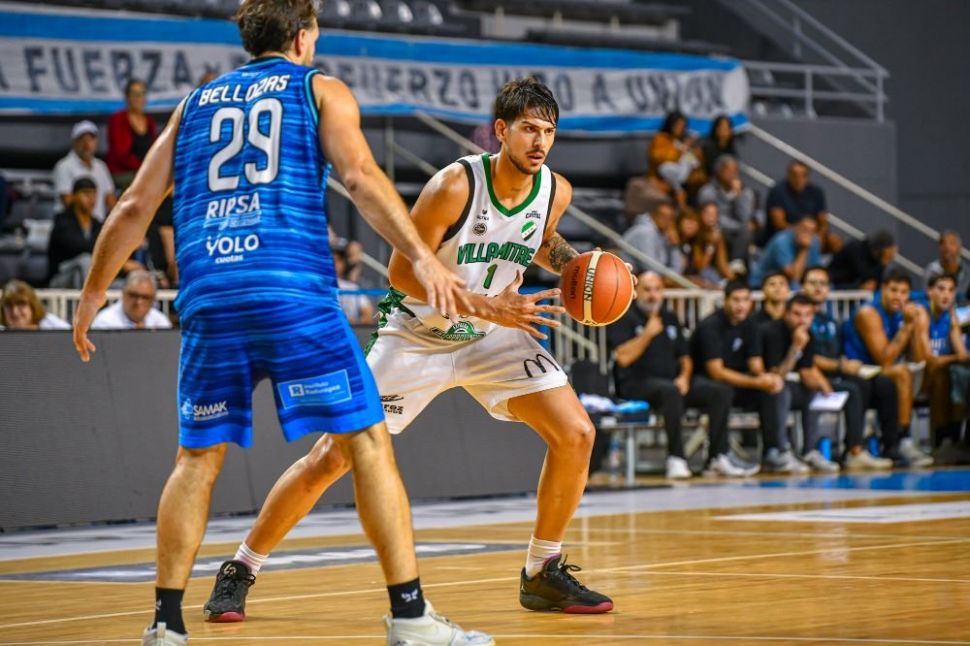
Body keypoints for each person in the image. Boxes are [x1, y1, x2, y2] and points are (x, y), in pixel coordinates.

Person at [72, 2, 490, 644]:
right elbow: (360, 177)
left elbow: (133, 205)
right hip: (292, 290)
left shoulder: (193, 104)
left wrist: (93, 291)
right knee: (367, 442)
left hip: (211, 295)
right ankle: (410, 617)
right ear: (301, 36)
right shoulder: (319, 89)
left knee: (195, 459)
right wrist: (423, 256)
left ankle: (165, 625)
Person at [199, 77, 615, 627]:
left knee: (577, 433)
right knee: (333, 457)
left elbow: (539, 237)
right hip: (417, 334)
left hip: (491, 334)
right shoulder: (455, 186)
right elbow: (401, 272)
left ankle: (542, 571)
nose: (540, 142)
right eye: (528, 130)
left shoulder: (555, 190)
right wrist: (486, 306)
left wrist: (588, 271)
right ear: (501, 131)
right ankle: (241, 568)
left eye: (549, 132)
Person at [608, 271, 737, 478]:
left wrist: (684, 377)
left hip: (672, 382)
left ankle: (717, 457)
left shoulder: (669, 317)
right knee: (670, 391)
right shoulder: (624, 316)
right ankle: (676, 458)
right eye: (647, 290)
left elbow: (685, 357)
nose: (653, 295)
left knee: (720, 392)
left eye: (657, 290)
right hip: (636, 384)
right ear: (636, 291)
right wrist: (648, 333)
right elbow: (623, 358)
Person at [690, 279, 805, 473]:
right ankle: (718, 456)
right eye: (736, 300)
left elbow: (755, 364)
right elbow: (716, 372)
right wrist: (756, 382)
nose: (741, 305)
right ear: (725, 300)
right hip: (703, 381)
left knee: (774, 390)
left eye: (745, 300)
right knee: (722, 391)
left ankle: (774, 451)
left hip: (737, 382)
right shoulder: (711, 326)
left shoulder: (750, 324)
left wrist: (766, 379)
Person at [801, 265, 896, 469]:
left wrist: (850, 365)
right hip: (811, 375)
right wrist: (841, 365)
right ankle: (855, 450)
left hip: (836, 372)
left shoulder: (831, 321)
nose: (818, 288)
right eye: (812, 283)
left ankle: (892, 445)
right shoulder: (799, 318)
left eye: (823, 284)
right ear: (802, 287)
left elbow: (839, 353)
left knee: (882, 383)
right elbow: (807, 358)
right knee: (854, 388)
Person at [842, 269, 934, 466]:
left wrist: (918, 326)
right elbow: (884, 359)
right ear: (882, 289)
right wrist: (907, 327)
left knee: (918, 371)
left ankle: (936, 439)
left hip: (879, 373)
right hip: (859, 370)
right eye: (893, 290)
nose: (898, 297)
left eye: (904, 292)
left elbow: (918, 359)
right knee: (901, 373)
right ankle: (902, 440)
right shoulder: (868, 313)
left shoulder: (902, 313)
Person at [760, 293, 840, 472]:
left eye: (807, 315)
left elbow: (806, 370)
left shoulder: (807, 334)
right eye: (797, 314)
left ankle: (810, 450)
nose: (802, 320)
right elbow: (777, 375)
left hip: (783, 384)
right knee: (781, 390)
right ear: (786, 313)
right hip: (759, 387)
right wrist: (796, 348)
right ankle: (779, 451)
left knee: (813, 392)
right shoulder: (772, 332)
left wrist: (823, 386)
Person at [914, 274, 970, 461]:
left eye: (951, 290)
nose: (946, 295)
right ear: (930, 292)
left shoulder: (951, 316)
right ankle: (942, 440)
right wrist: (956, 358)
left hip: (942, 370)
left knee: (961, 375)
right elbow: (927, 360)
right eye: (941, 289)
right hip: (917, 374)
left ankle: (957, 440)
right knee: (943, 374)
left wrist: (960, 357)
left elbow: (962, 354)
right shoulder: (921, 314)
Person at [765, 160, 841, 252]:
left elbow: (823, 221)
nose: (798, 179)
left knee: (835, 240)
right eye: (794, 175)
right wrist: (802, 231)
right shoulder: (777, 191)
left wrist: (820, 235)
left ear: (808, 177)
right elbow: (779, 224)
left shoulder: (817, 192)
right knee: (803, 241)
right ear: (788, 175)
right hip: (788, 234)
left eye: (803, 175)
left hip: (812, 234)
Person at [696, 155, 756, 263]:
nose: (732, 174)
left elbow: (745, 217)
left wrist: (738, 196)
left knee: (747, 232)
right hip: (716, 228)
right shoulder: (708, 191)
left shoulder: (745, 192)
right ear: (719, 171)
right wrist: (738, 227)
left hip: (737, 232)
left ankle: (736, 264)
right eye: (728, 170)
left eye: (735, 171)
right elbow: (712, 218)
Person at [52, 120, 116, 222]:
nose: (87, 144)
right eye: (82, 139)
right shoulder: (64, 166)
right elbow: (67, 201)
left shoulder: (101, 166)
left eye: (91, 139)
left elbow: (110, 199)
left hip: (97, 226)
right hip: (71, 225)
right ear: (74, 142)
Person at [107, 78, 158, 188]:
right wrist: (144, 169)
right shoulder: (117, 119)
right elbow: (120, 155)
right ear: (127, 97)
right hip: (123, 172)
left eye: (141, 94)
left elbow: (155, 150)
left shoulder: (150, 121)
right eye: (134, 94)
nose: (138, 98)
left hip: (145, 171)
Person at [646, 110, 705, 205]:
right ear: (670, 124)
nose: (680, 128)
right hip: (662, 181)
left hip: (685, 182)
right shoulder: (660, 139)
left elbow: (694, 164)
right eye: (678, 124)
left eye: (683, 125)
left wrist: (695, 154)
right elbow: (660, 159)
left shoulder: (683, 141)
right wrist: (681, 150)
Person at [749, 216, 820, 289]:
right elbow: (794, 277)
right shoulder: (781, 241)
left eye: (811, 231)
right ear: (795, 227)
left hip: (785, 284)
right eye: (804, 229)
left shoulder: (814, 241)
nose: (807, 234)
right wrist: (804, 249)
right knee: (795, 286)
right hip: (760, 283)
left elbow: (814, 272)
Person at [622, 201, 684, 283]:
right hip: (627, 279)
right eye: (663, 217)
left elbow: (676, 271)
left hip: (640, 278)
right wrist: (670, 278)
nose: (668, 221)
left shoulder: (663, 234)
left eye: (670, 218)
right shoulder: (645, 232)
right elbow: (651, 268)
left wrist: (674, 245)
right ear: (653, 216)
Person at [91, 271, 172, 330]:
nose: (138, 302)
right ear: (124, 294)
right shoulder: (104, 322)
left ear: (153, 299)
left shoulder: (160, 322)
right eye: (134, 296)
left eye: (145, 297)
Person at [828, 230, 897, 290]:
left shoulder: (872, 255)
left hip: (849, 284)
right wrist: (884, 261)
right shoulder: (856, 248)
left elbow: (876, 281)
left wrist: (884, 262)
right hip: (835, 283)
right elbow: (865, 275)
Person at [0, 280, 70, 330]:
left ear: (33, 306)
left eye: (21, 304)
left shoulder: (52, 325)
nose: (15, 312)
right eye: (8, 306)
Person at [333, 242, 374, 324]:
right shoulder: (318, 286)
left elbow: (368, 312)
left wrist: (356, 323)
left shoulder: (352, 287)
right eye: (332, 260)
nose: (335, 264)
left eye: (339, 260)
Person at [924, 230, 970, 303]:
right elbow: (926, 296)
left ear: (959, 248)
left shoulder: (968, 273)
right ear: (939, 247)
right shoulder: (931, 270)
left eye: (952, 243)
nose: (947, 247)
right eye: (943, 243)